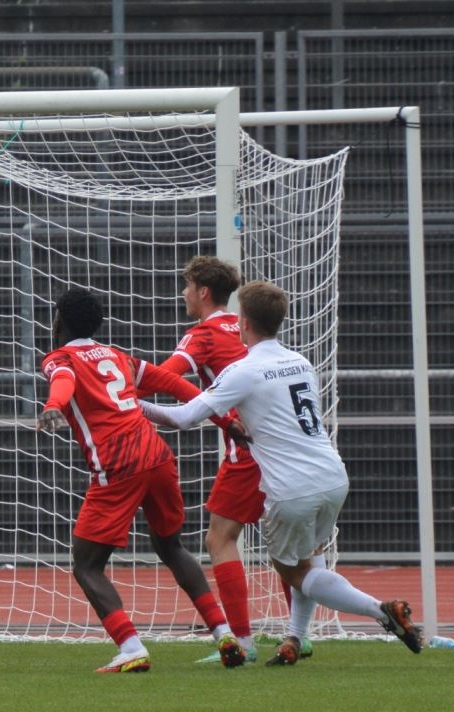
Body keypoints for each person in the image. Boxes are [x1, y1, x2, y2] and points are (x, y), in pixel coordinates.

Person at [139, 281, 424, 665]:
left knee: (294, 572)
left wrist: (128, 403)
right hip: (332, 475)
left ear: (243, 323)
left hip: (293, 488)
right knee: (309, 557)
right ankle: (295, 637)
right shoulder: (300, 361)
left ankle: (381, 611)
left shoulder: (243, 370)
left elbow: (183, 417)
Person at [37, 287, 243, 673]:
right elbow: (174, 383)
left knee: (86, 565)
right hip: (158, 456)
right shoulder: (118, 356)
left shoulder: (60, 357)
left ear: (59, 321)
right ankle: (223, 632)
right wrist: (225, 420)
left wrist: (52, 406)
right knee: (171, 546)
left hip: (119, 464)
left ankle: (131, 647)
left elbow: (62, 380)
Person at [147, 256, 293, 664]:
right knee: (290, 545)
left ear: (202, 291)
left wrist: (124, 387)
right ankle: (300, 633)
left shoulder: (203, 334)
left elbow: (165, 376)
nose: (184, 294)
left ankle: (242, 641)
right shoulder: (244, 328)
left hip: (246, 450)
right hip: (285, 445)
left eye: (186, 286)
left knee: (219, 538)